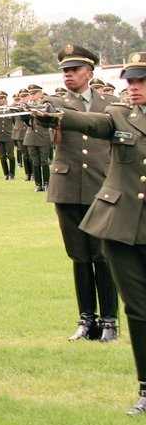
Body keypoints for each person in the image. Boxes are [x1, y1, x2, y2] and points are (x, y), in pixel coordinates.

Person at [33, 51, 146, 414]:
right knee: (139, 310)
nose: (134, 87)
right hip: (122, 223)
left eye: (142, 81)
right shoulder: (118, 113)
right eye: (130, 81)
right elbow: (93, 123)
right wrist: (56, 116)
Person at [42, 44, 120, 342]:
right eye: (64, 71)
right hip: (67, 187)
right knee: (79, 255)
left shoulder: (111, 104)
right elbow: (38, 118)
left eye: (74, 70)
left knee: (103, 255)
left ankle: (110, 320)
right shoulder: (54, 103)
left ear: (89, 72)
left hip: (102, 186)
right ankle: (87, 319)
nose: (68, 75)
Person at [23, 85, 53, 191]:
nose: (32, 96)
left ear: (40, 93)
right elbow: (26, 121)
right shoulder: (27, 106)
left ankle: (46, 183)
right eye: (30, 94)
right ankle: (38, 184)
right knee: (35, 161)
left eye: (34, 93)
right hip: (31, 137)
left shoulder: (46, 105)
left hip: (43, 136)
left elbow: (49, 118)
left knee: (44, 161)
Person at [0, 91, 16, 180]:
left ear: (6, 99)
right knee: (2, 156)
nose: (0, 100)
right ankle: (6, 173)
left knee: (10, 156)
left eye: (1, 98)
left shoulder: (11, 109)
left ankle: (12, 173)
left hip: (9, 135)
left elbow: (15, 122)